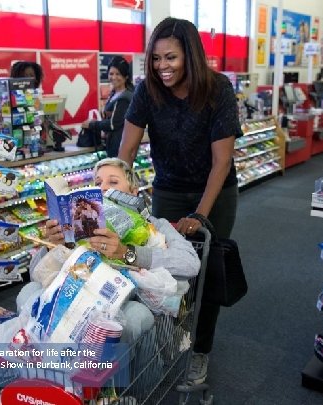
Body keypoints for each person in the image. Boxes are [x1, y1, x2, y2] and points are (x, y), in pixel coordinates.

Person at [117, 17, 242, 385]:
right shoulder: (147, 90)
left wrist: (200, 216)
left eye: (170, 58)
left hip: (215, 193)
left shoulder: (218, 89)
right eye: (155, 59)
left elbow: (222, 161)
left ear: (190, 55)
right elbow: (127, 148)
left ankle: (200, 350)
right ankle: (172, 341)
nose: (162, 67)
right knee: (163, 271)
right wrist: (116, 190)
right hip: (168, 191)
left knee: (204, 274)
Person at [44, 158, 200, 277]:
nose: (103, 187)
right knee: (29, 292)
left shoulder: (156, 225)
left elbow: (190, 263)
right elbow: (36, 273)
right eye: (97, 183)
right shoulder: (81, 226)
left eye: (113, 182)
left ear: (133, 192)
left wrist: (125, 252)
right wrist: (54, 246)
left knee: (136, 313)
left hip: (129, 301)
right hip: (82, 293)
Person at [81, 56, 135, 157]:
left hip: (120, 147)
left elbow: (113, 124)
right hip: (113, 144)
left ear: (126, 76)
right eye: (111, 74)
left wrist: (92, 124)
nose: (113, 77)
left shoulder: (125, 97)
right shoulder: (114, 93)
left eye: (118, 74)